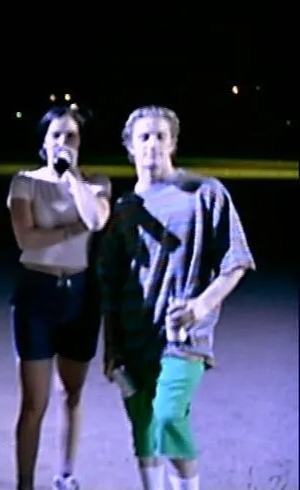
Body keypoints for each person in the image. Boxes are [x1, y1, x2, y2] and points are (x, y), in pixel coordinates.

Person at [98, 106, 255, 490]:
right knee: (143, 426)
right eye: (144, 137)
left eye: (160, 136)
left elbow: (236, 261)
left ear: (173, 143)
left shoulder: (204, 192)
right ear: (130, 147)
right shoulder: (124, 210)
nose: (152, 144)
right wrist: (111, 348)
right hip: (134, 336)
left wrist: (203, 304)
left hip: (185, 337)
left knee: (169, 416)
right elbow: (110, 285)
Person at [5, 105, 111, 490]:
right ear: (43, 143)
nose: (63, 142)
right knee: (34, 402)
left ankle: (66, 474)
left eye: (71, 136)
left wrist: (73, 179)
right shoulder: (25, 182)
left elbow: (96, 219)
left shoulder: (95, 183)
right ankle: (25, 482)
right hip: (36, 293)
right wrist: (71, 230)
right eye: (56, 135)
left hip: (80, 295)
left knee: (73, 392)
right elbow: (27, 239)